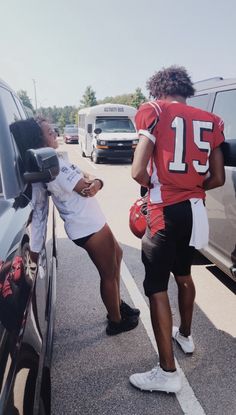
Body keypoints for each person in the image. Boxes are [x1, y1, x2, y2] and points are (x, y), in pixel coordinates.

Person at [129, 66, 225, 393]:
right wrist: (190, 188)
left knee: (156, 286)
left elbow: (138, 171)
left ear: (157, 90)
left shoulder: (155, 110)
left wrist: (157, 187)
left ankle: (167, 372)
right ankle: (185, 335)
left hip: (163, 209)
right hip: (194, 211)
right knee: (184, 275)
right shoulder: (210, 120)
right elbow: (218, 178)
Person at [10, 118, 140, 336]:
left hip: (91, 221)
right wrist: (96, 182)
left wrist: (95, 181)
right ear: (38, 138)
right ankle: (116, 321)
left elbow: (88, 179)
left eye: (53, 129)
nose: (54, 132)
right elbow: (85, 187)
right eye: (48, 131)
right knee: (108, 273)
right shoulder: (53, 165)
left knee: (117, 255)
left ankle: (117, 305)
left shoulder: (53, 160)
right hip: (86, 226)